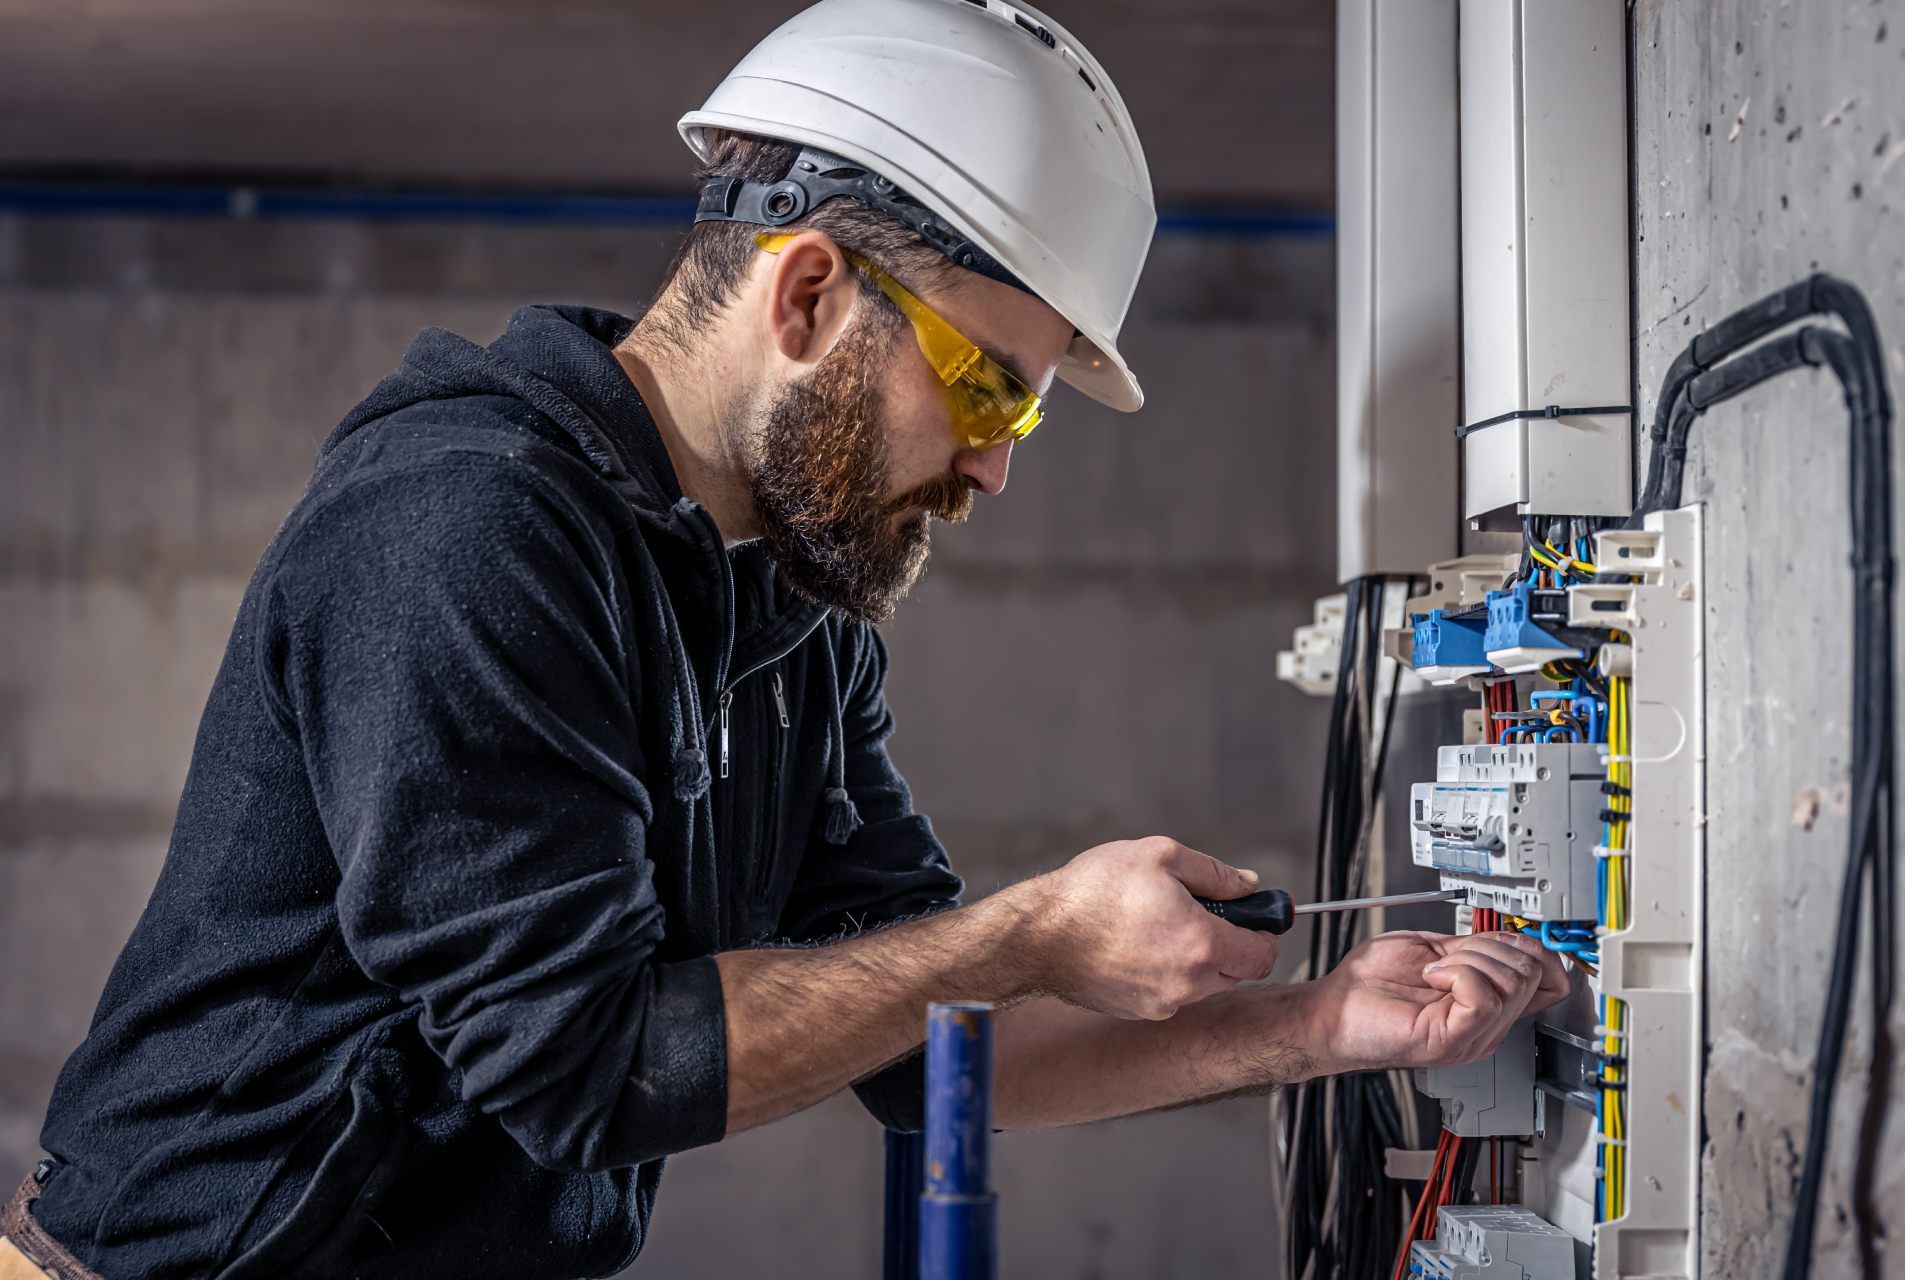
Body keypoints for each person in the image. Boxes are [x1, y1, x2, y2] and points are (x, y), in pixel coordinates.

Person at [5, 2, 1568, 1277]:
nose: (998, 464)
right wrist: (1027, 930)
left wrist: (1316, 1026)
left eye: (1024, 409)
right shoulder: (466, 529)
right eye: (987, 388)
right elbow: (588, 1068)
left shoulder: (796, 613)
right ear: (809, 290)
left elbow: (925, 1050)